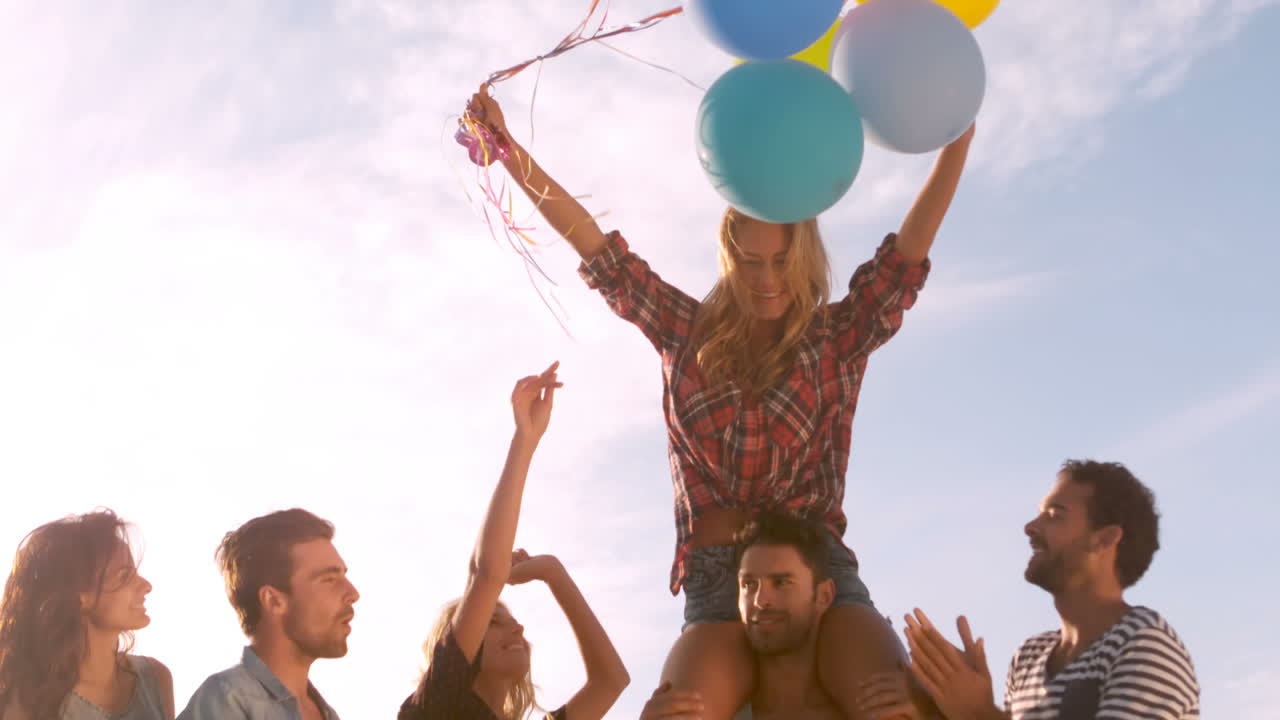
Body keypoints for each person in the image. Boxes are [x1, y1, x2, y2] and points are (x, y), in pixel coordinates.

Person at [465, 84, 974, 719]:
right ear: (730, 259)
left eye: (783, 261)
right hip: (717, 579)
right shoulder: (685, 330)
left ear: (805, 256)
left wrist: (956, 144)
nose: (767, 280)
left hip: (820, 574)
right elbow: (593, 244)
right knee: (688, 711)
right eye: (751, 262)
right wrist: (506, 150)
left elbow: (904, 258)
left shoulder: (836, 340)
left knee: (892, 706)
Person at [398, 363, 630, 720]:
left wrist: (554, 572)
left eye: (506, 620)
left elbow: (611, 681)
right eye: (493, 622)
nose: (518, 628)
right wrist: (525, 440)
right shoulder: (437, 705)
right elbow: (486, 575)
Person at [902, 460, 1200, 719]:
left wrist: (978, 712)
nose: (1030, 527)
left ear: (1104, 539)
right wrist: (940, 708)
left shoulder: (1145, 647)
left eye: (1055, 515)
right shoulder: (1028, 658)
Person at [640, 512, 914, 720]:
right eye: (749, 585)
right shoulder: (708, 709)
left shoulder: (878, 706)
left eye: (781, 582)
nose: (761, 600)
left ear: (824, 595)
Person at [177, 508, 358, 720]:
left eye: (344, 576)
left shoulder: (326, 713)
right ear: (273, 600)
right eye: (329, 579)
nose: (353, 593)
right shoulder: (230, 699)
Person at [0, 509, 174, 720]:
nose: (146, 586)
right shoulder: (26, 695)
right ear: (79, 593)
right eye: (125, 575)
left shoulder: (155, 679)